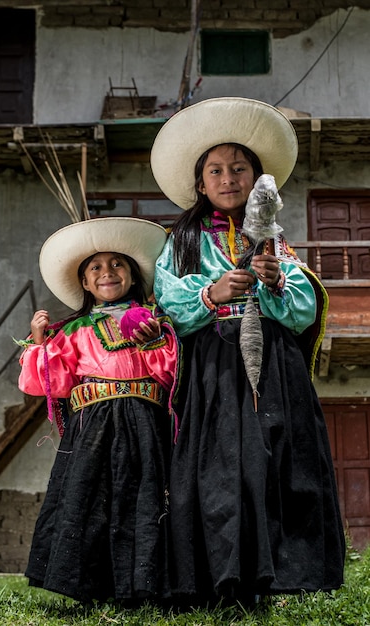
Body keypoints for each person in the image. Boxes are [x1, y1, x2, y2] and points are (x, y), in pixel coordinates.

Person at [150, 97, 345, 607]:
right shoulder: (183, 239)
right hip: (215, 368)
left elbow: (303, 308)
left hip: (273, 366)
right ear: (200, 183)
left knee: (276, 461)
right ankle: (218, 579)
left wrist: (276, 280)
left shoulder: (275, 242)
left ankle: (280, 576)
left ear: (258, 179)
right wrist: (212, 294)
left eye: (239, 168)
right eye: (215, 170)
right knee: (217, 467)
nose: (228, 177)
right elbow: (166, 298)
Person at [17, 217, 181, 605]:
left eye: (117, 264)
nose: (107, 272)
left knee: (145, 500)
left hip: (145, 425)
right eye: (96, 268)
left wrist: (155, 341)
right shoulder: (73, 331)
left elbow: (173, 371)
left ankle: (144, 587)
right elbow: (46, 383)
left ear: (134, 275)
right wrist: (39, 343)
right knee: (89, 501)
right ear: (86, 284)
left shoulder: (156, 323)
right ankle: (90, 588)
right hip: (91, 427)